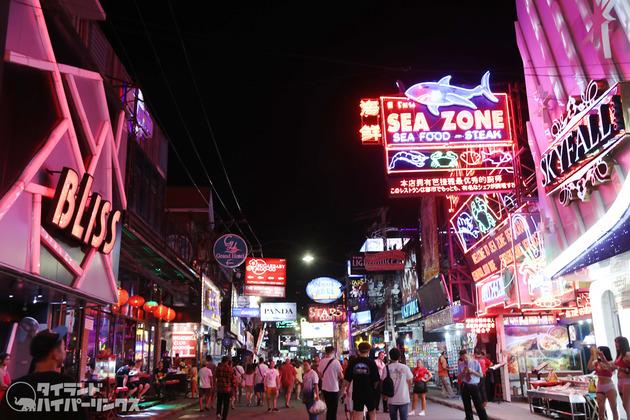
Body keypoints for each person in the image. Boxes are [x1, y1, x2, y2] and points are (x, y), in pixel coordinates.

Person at [0, 326, 87, 420]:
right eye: (63, 348)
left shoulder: (17, 387)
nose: (65, 352)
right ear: (55, 354)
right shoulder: (67, 385)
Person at [340, 342, 380, 420]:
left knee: (358, 413)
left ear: (358, 350)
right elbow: (376, 380)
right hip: (370, 392)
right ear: (368, 351)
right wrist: (374, 388)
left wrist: (342, 393)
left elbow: (346, 380)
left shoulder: (353, 362)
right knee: (372, 412)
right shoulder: (372, 362)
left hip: (357, 392)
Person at [588, 346, 619, 420]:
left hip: (609, 387)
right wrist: (592, 355)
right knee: (600, 410)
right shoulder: (596, 362)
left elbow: (607, 367)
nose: (597, 352)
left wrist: (602, 358)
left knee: (613, 409)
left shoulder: (611, 362)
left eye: (599, 351)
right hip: (600, 386)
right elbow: (589, 367)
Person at [381, 348, 413, 420]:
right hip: (403, 397)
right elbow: (410, 379)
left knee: (393, 418)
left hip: (391, 398)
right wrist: (409, 389)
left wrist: (384, 394)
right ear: (399, 356)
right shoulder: (405, 367)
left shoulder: (386, 368)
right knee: (404, 418)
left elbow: (383, 381)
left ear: (390, 356)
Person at [457, 349, 488, 420]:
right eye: (463, 359)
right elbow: (459, 377)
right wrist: (463, 373)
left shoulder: (476, 363)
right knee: (467, 406)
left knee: (479, 406)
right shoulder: (461, 365)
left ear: (468, 354)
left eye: (466, 358)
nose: (465, 360)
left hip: (474, 386)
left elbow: (481, 375)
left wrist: (472, 371)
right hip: (465, 386)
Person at [318, 346, 343, 420]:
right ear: (333, 352)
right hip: (334, 388)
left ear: (325, 352)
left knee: (328, 408)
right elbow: (341, 376)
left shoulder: (321, 362)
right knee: (334, 409)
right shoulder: (336, 362)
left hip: (325, 388)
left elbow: (320, 375)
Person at [215, 356, 238, 420]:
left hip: (219, 388)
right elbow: (233, 379)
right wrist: (235, 387)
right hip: (227, 389)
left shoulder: (218, 368)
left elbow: (216, 376)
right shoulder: (230, 369)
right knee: (226, 404)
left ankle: (218, 413)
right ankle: (224, 417)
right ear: (227, 361)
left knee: (219, 402)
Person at [615, 336, 630, 419]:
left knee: (626, 404)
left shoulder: (627, 354)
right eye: (615, 343)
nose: (616, 344)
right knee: (625, 404)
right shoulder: (619, 355)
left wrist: (619, 368)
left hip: (627, 381)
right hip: (620, 380)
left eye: (618, 342)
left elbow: (628, 370)